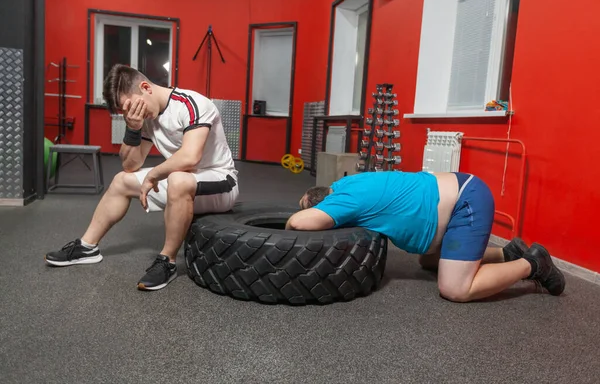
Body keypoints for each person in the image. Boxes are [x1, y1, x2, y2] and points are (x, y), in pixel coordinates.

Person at [44, 64, 239, 291]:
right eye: (125, 111)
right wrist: (133, 128)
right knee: (120, 181)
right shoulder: (144, 117)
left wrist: (154, 175)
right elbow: (130, 165)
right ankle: (87, 247)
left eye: (132, 107)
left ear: (146, 87)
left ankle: (168, 261)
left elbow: (190, 157)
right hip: (184, 179)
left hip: (221, 182)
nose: (132, 113)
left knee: (177, 179)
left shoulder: (192, 103)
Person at [285, 171, 565, 302]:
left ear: (323, 206)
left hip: (465, 201)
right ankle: (507, 254)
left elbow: (298, 224)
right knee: (427, 262)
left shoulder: (343, 203)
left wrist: (285, 235)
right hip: (455, 193)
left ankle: (534, 264)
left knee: (455, 289)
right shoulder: (342, 185)